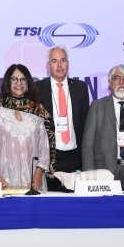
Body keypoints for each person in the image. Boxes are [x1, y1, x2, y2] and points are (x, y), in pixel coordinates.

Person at [0, 64, 55, 191]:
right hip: (3, 179)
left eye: (23, 79)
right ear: (7, 82)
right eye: (14, 79)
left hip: (34, 181)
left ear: (28, 83)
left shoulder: (37, 109)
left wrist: (39, 172)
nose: (19, 83)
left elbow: (44, 145)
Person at [82, 65, 124, 190]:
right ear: (110, 83)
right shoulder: (97, 106)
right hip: (104, 170)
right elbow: (88, 142)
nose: (121, 82)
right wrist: (89, 173)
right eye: (116, 78)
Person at [37, 46, 89, 189]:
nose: (59, 65)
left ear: (68, 64)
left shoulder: (80, 88)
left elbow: (85, 122)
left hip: (75, 157)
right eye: (54, 61)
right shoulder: (37, 89)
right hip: (49, 158)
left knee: (75, 199)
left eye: (63, 60)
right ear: (48, 65)